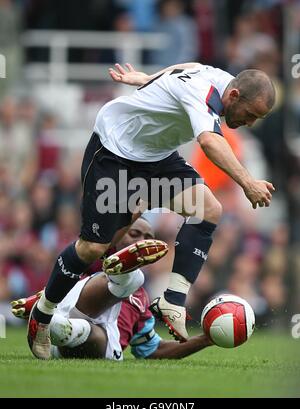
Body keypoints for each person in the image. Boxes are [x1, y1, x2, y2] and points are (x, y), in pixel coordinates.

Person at [29, 60, 276, 360]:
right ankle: (42, 315)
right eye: (250, 115)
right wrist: (248, 182)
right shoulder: (203, 94)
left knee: (208, 208)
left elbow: (186, 66)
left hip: (156, 158)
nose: (250, 123)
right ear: (234, 96)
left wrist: (150, 79)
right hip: (115, 150)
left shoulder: (222, 80)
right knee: (94, 247)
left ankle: (172, 300)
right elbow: (210, 142)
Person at [12, 218, 212, 360]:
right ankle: (120, 275)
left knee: (102, 334)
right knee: (126, 278)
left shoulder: (142, 300)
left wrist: (205, 339)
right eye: (134, 234)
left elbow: (153, 349)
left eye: (148, 237)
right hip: (81, 303)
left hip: (89, 343)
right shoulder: (89, 264)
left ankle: (51, 322)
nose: (141, 240)